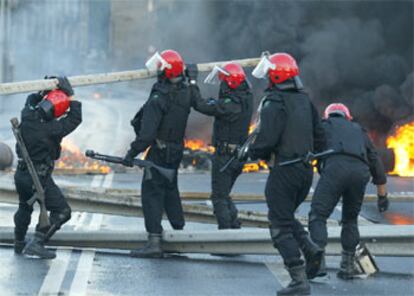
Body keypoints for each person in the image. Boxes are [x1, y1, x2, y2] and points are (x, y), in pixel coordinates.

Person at [247, 53, 326, 296]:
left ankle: (298, 279)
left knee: (279, 225)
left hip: (284, 171)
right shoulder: (305, 101)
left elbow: (266, 139)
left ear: (277, 74)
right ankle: (311, 249)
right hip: (304, 172)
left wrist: (251, 152)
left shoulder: (275, 101)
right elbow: (320, 135)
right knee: (286, 216)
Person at [122, 49, 205, 258]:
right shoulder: (185, 91)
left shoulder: (159, 97)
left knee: (151, 194)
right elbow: (198, 100)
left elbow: (147, 134)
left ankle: (154, 241)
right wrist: (192, 80)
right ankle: (178, 231)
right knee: (170, 189)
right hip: (176, 150)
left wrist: (131, 154)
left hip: (159, 152)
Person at [308, 103, 389, 280]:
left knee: (318, 215)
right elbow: (375, 162)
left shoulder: (323, 126)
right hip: (360, 173)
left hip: (335, 169)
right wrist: (382, 195)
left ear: (328, 116)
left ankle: (317, 262)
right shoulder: (359, 131)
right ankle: (348, 266)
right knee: (350, 220)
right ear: (347, 117)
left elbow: (308, 151)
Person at [14, 77, 81, 259]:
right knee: (62, 211)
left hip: (21, 175)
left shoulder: (27, 115)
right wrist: (71, 95)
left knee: (24, 207)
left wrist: (44, 89)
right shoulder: (53, 128)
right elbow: (75, 118)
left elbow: (31, 99)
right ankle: (37, 243)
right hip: (39, 178)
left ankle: (19, 242)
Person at [195, 62, 253, 229]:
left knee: (219, 197)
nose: (221, 84)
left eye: (224, 81)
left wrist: (191, 85)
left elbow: (201, 106)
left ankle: (226, 233)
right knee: (224, 194)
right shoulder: (245, 97)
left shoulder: (230, 104)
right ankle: (234, 225)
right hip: (236, 156)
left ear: (231, 83)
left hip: (226, 156)